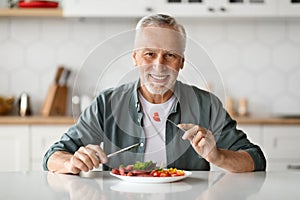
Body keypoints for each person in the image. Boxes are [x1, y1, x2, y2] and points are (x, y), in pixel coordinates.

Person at [43, 14, 266, 174]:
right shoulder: (107, 103)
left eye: (170, 55)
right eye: (149, 54)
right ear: (135, 58)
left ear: (181, 63)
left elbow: (255, 159)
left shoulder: (206, 104)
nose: (159, 66)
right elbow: (53, 156)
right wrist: (72, 162)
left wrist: (216, 155)